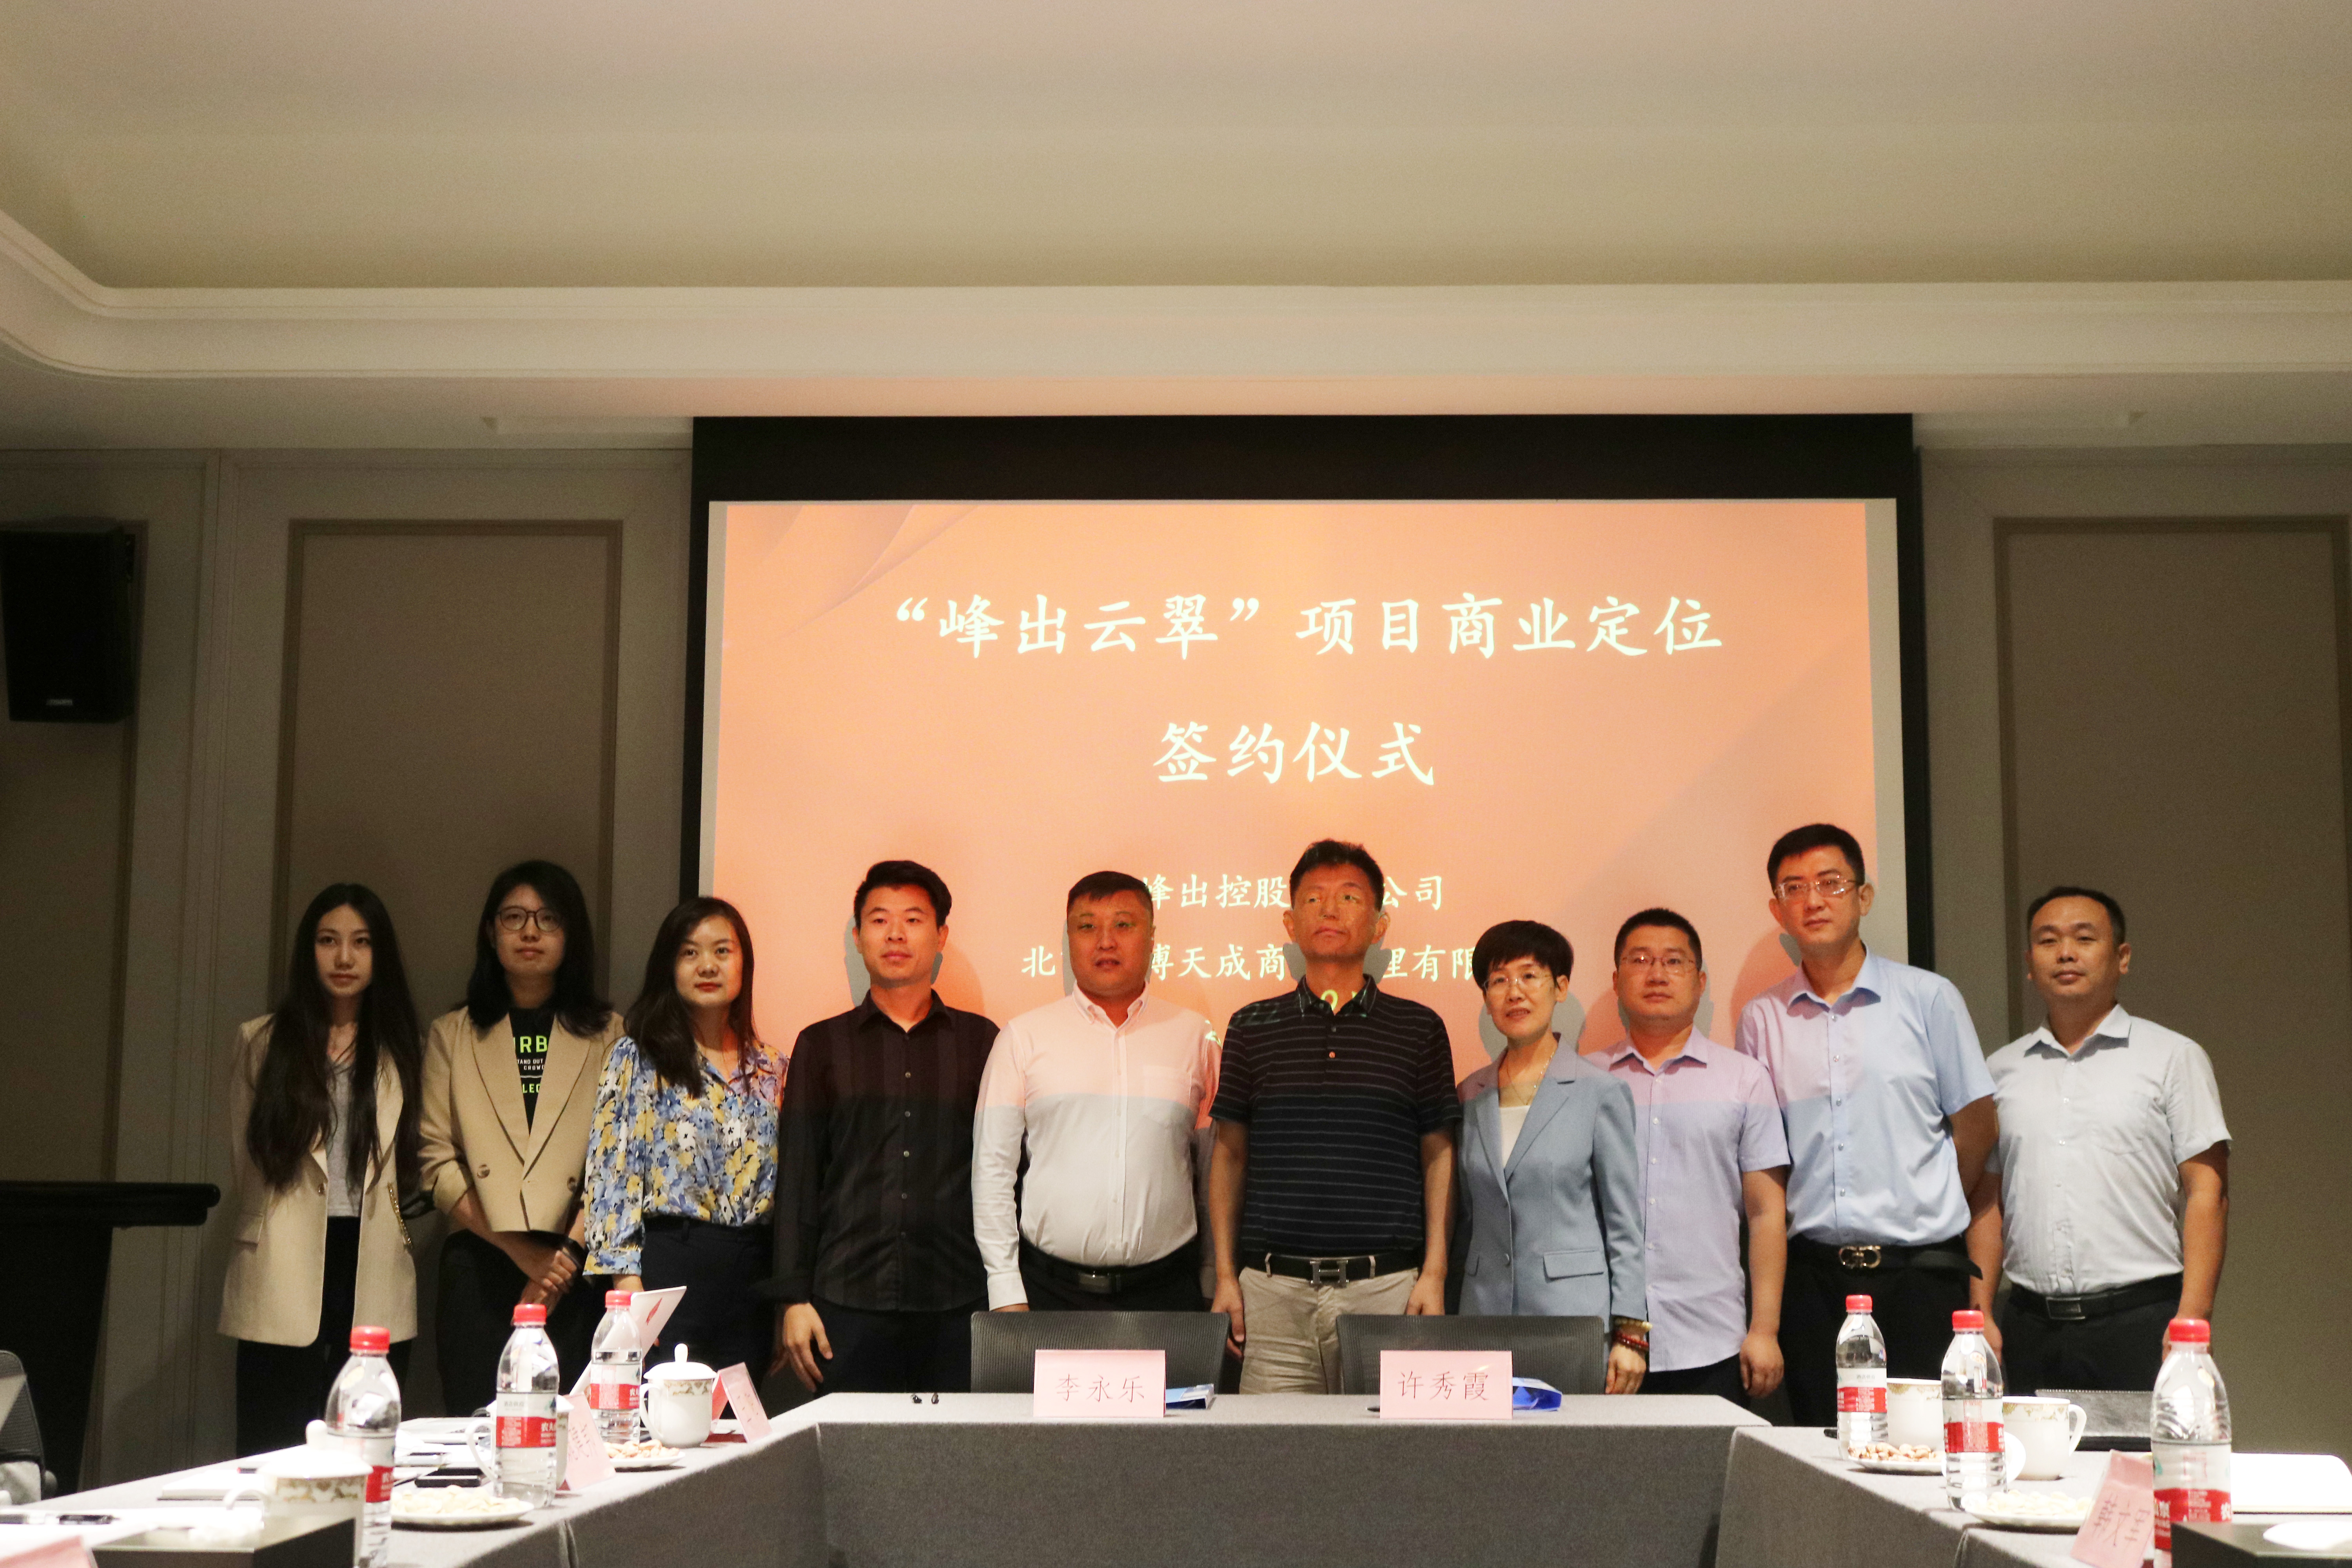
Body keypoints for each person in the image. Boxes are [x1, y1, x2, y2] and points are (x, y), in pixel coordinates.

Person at [1736, 823, 1999, 1426]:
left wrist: (1930, 1196)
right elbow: (1764, 1160)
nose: (1813, 900)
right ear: (1778, 910)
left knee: (1925, 1447)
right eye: (1795, 888)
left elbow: (1978, 1125)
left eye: (1831, 883)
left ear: (1864, 896)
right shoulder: (1761, 1019)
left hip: (1920, 1279)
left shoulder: (1929, 998)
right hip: (1813, 1282)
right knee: (1823, 1451)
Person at [1207, 840, 1460, 1394]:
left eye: (1349, 897)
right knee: (1273, 1446)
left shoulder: (1419, 1028)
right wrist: (1225, 1275)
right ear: (1290, 923)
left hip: (1386, 1290)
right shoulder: (1251, 1026)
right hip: (1272, 1294)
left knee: (1386, 1446)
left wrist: (1435, 1274)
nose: (1329, 909)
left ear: (1379, 925)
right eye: (1314, 898)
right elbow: (1229, 1155)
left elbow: (1438, 1155)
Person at [1984, 887, 2230, 1394]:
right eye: (2048, 941)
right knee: (2032, 1450)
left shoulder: (2173, 1057)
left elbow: (2209, 1192)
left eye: (2084, 938)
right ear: (2030, 964)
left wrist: (2193, 1317)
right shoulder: (2001, 1070)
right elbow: (1987, 1200)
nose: (2066, 953)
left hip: (2140, 1321)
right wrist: (1981, 1310)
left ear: (2122, 957)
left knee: (2143, 1450)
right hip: (2029, 1323)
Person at [769, 861, 998, 1392]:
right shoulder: (822, 1045)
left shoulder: (982, 1042)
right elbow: (799, 1176)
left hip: (957, 1301)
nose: (896, 934)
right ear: (858, 937)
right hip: (844, 1303)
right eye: (879, 920)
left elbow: (1004, 1175)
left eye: (913, 919)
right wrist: (793, 1298)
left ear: (941, 936)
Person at [219, 884, 422, 1455]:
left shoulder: (403, 1047)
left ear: (380, 955)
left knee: (365, 1448)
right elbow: (245, 1158)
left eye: (362, 943)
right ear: (309, 951)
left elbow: (414, 1159)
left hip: (371, 1255)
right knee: (273, 1445)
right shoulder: (261, 1042)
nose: (344, 957)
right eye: (329, 941)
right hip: (282, 1259)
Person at [417, 860, 622, 1412]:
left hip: (573, 1265)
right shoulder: (453, 1034)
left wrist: (561, 1262)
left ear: (570, 934)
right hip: (480, 1259)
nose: (530, 932)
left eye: (548, 918)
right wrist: (520, 1252)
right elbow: (436, 1162)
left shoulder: (608, 1034)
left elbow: (616, 1161)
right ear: (491, 931)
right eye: (514, 917)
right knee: (474, 1428)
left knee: (569, 1434)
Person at [974, 872, 1219, 1314]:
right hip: (1050, 1292)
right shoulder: (1023, 1037)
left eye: (1124, 924)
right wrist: (1005, 1287)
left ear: (1152, 938)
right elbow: (993, 1170)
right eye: (1088, 926)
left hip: (1167, 1292)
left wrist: (1212, 1277)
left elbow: (1215, 1170)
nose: (1106, 941)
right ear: (1069, 939)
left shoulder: (1195, 1037)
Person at [1585, 909, 1789, 1405]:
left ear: (1700, 982)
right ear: (1616, 980)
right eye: (1640, 960)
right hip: (1602, 1337)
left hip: (1711, 1337)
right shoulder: (1586, 1080)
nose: (1657, 974)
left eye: (1674, 961)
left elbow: (1766, 1212)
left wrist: (1764, 1329)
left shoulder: (1744, 1079)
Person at [587, 897, 783, 1374]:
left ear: (744, 964)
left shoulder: (773, 1068)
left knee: (737, 1418)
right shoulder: (637, 1058)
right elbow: (612, 1173)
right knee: (664, 1414)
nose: (707, 965)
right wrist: (626, 1284)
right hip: (670, 1265)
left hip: (753, 1276)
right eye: (690, 952)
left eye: (722, 951)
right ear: (669, 966)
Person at [1459, 920, 1650, 1393]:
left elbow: (1625, 1225)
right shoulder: (1469, 1094)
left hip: (1571, 1318)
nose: (1514, 992)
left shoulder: (1599, 1092)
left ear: (1560, 987)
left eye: (1530, 976)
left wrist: (1631, 1333)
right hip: (1483, 1316)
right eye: (1499, 980)